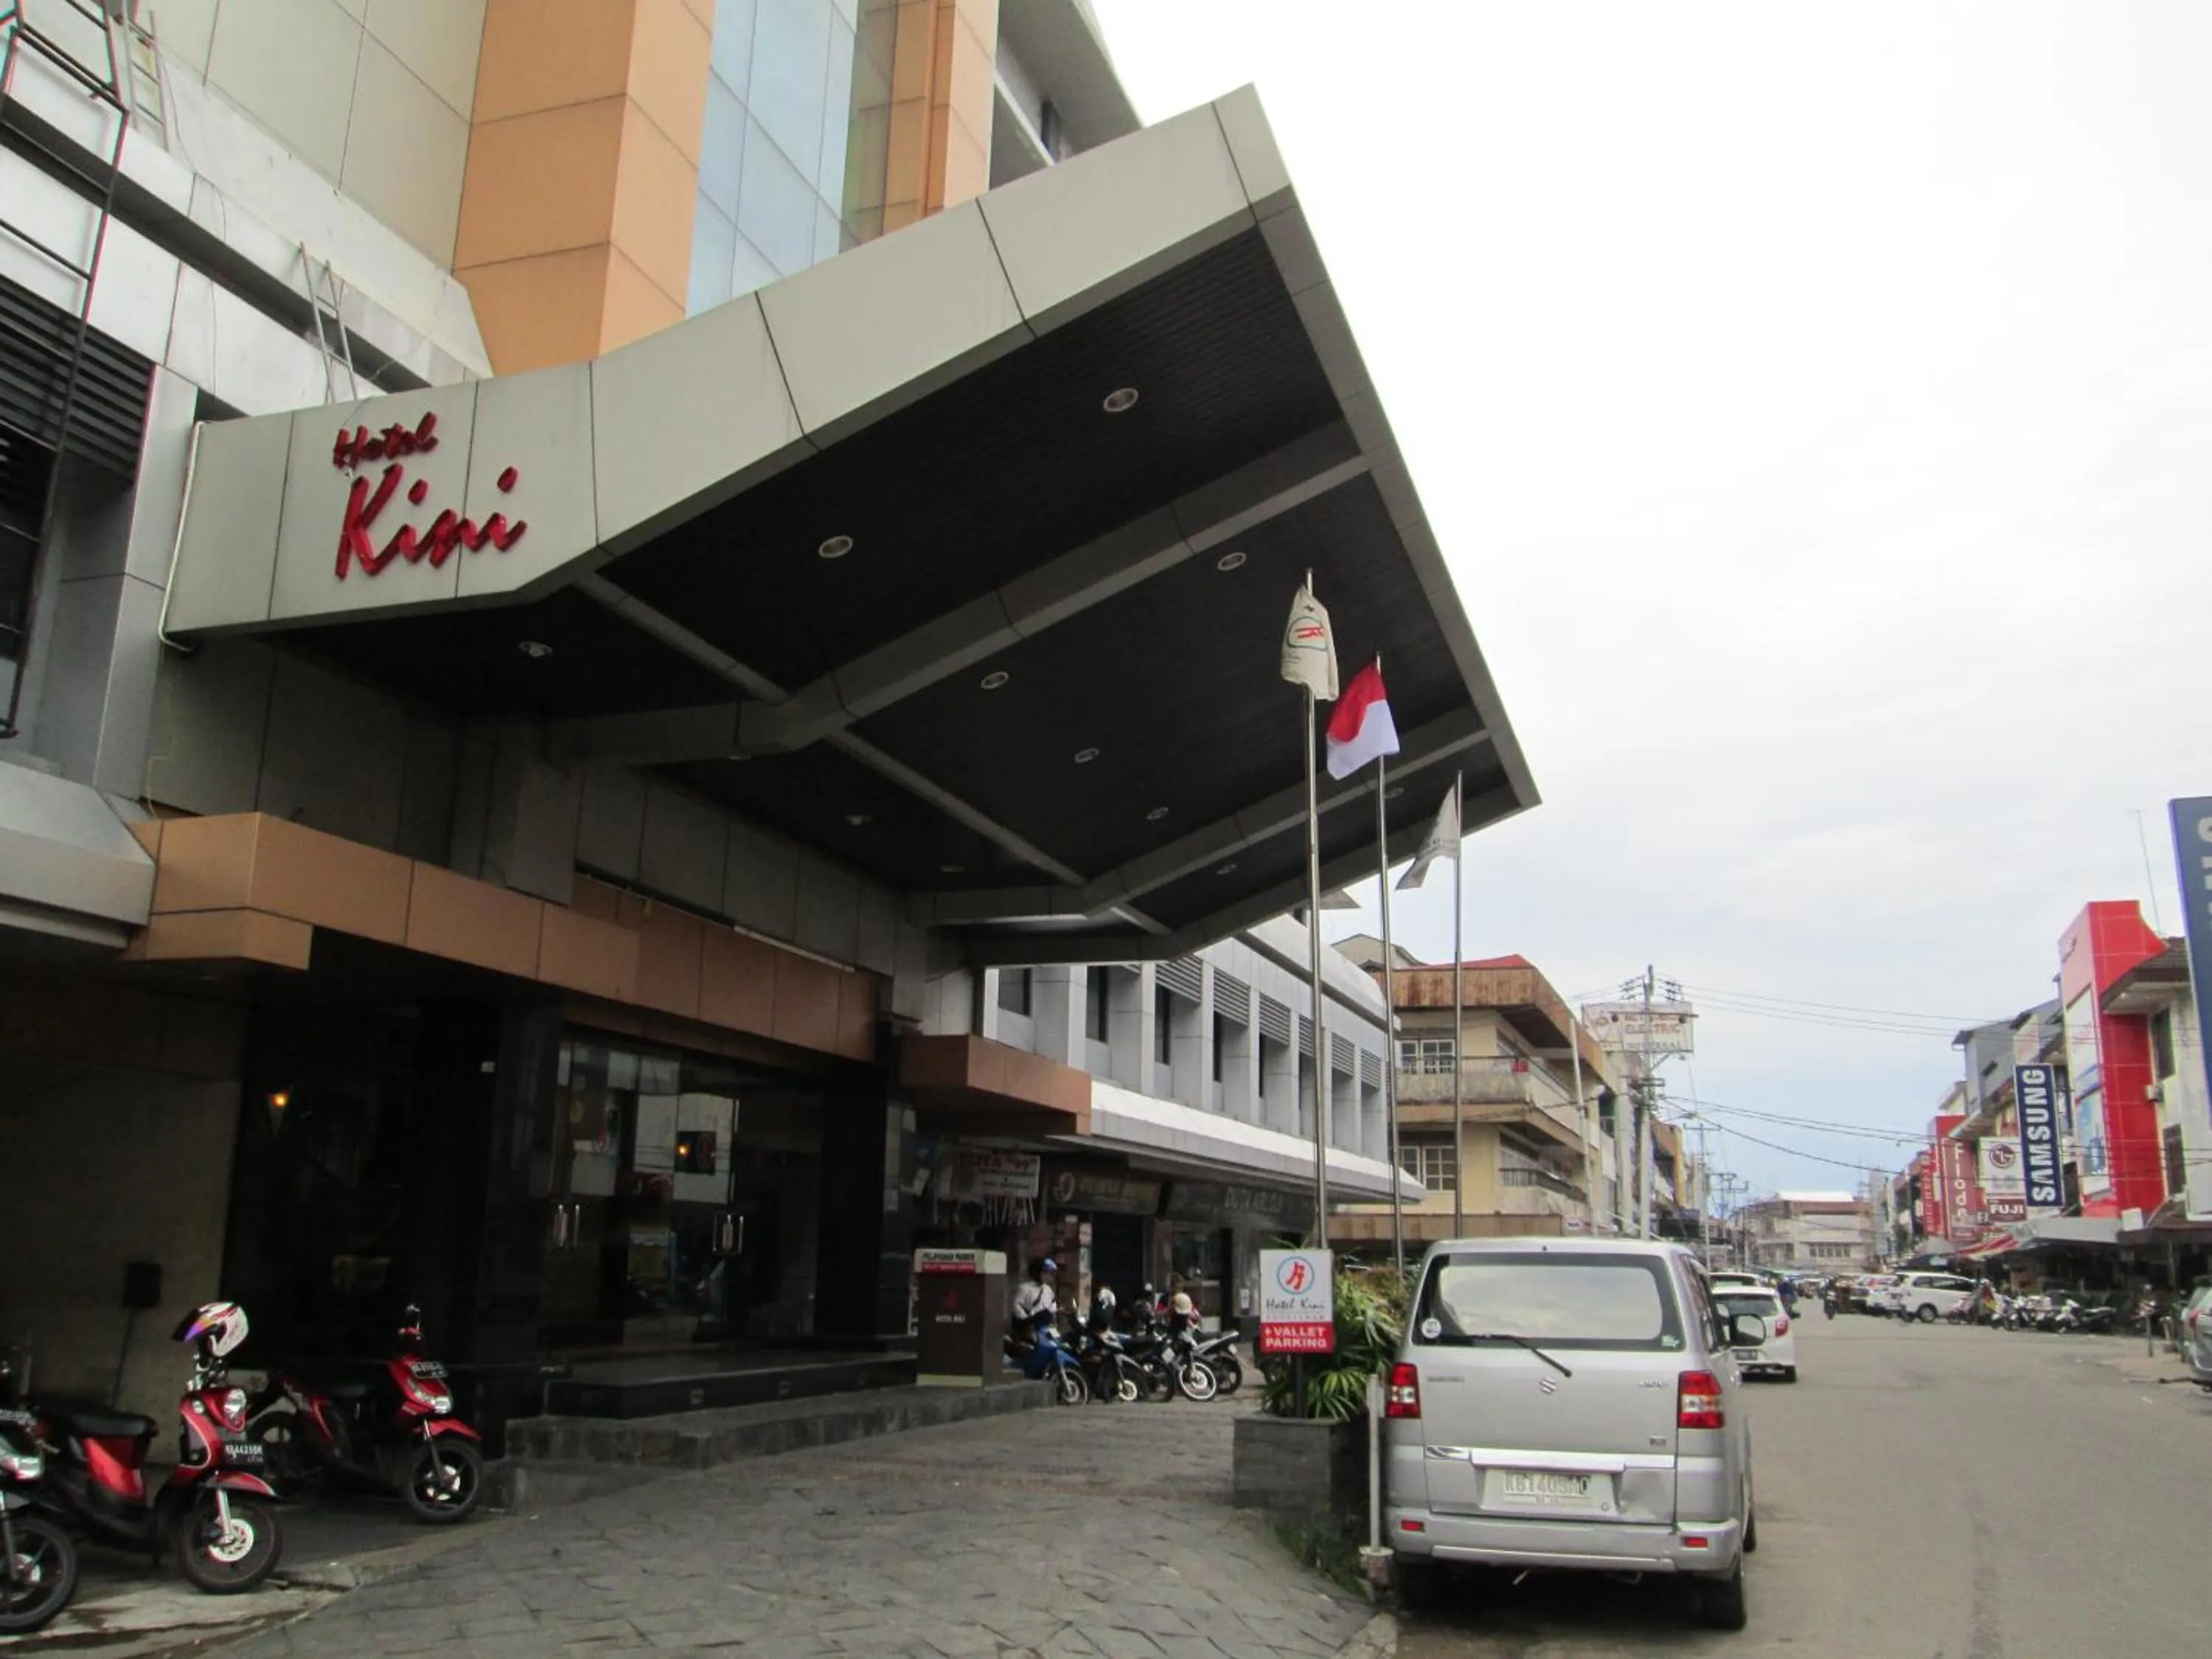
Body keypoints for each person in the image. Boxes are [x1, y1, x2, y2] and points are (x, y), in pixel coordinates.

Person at [1012, 1258, 1058, 1338]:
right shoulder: (1025, 1288)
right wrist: (1027, 1321)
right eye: (1045, 1273)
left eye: (1051, 1273)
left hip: (1045, 1330)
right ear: (1037, 1272)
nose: (1049, 1276)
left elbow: (1052, 1308)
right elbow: (1016, 1306)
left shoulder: (1048, 1290)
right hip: (1028, 1330)